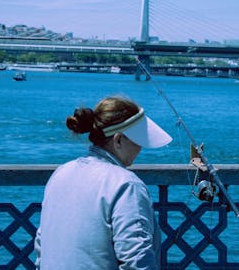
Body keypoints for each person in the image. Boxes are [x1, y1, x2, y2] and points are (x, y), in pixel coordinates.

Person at [35, 95, 172, 270]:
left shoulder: (61, 173)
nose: (141, 148)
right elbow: (136, 260)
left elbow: (41, 246)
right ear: (119, 140)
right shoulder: (126, 186)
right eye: (138, 141)